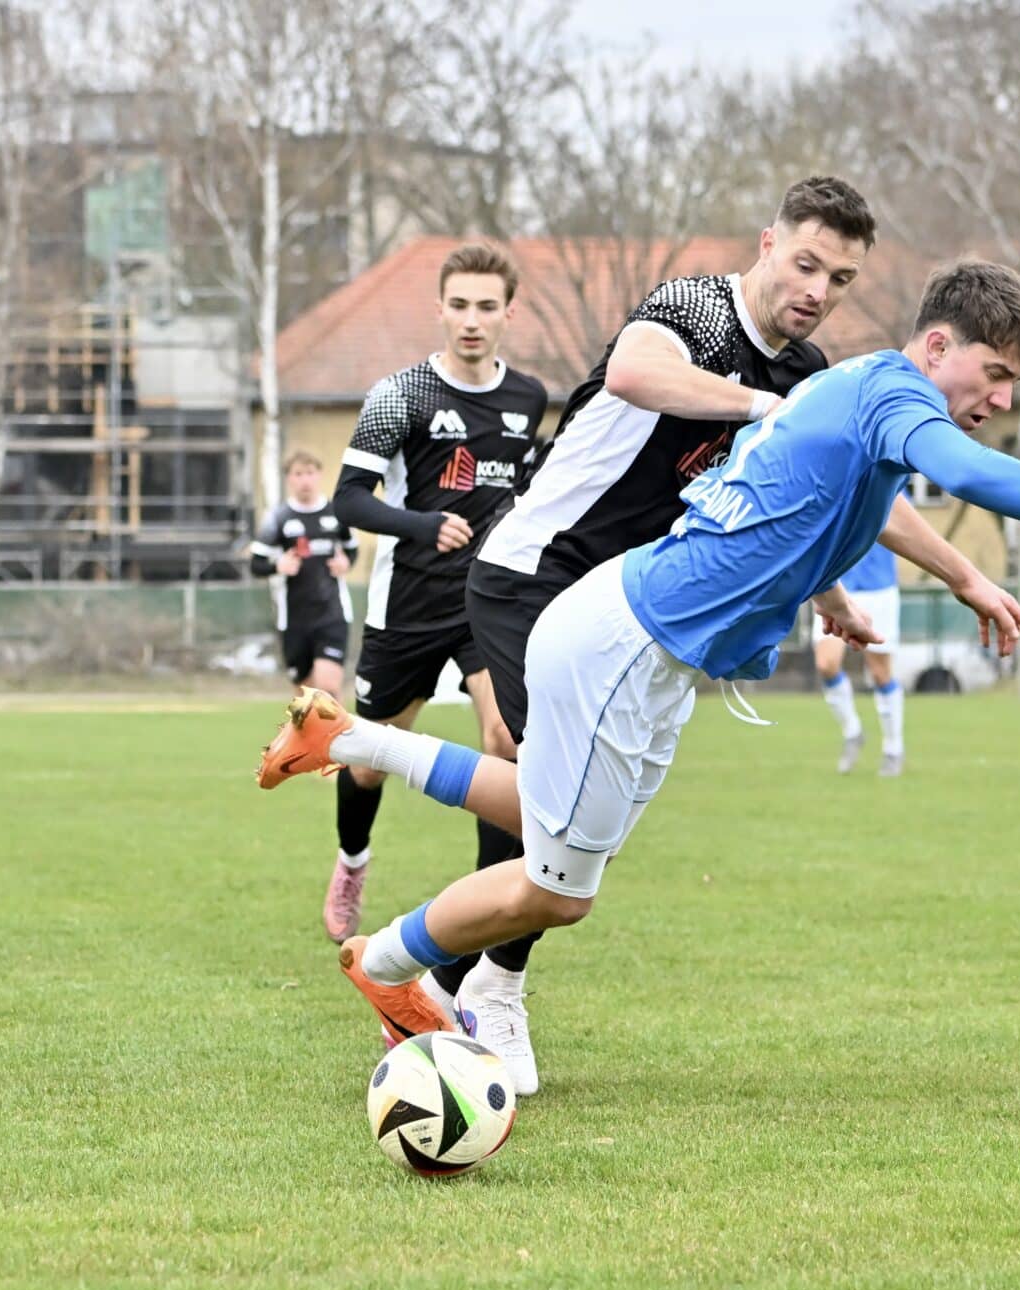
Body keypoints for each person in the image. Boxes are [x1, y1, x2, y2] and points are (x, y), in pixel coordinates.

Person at [256, 258, 1020, 1062]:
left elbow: (823, 506)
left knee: (546, 814)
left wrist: (915, 582)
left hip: (634, 642)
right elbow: (969, 472)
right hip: (622, 643)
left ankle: (352, 741)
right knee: (560, 890)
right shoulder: (889, 391)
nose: (1003, 400)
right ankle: (389, 968)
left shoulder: (853, 396)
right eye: (996, 373)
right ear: (937, 348)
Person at [437, 176, 877, 1091]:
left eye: (840, 279)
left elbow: (793, 503)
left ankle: (449, 975)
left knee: (567, 807)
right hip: (534, 571)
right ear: (768, 244)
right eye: (806, 264)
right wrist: (763, 411)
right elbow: (634, 373)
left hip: (622, 609)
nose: (817, 290)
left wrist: (843, 589)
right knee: (552, 799)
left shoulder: (804, 375)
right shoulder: (695, 309)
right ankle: (481, 986)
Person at [322, 243, 549, 946]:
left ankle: (487, 912)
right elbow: (348, 499)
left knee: (505, 741)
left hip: (490, 602)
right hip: (409, 602)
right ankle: (352, 862)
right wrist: (423, 525)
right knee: (368, 761)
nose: (472, 320)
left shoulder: (528, 398)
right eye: (459, 306)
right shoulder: (402, 394)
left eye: (486, 306)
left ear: (509, 312)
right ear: (440, 310)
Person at [248, 450, 358, 697]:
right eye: (298, 474)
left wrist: (346, 562)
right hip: (294, 618)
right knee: (305, 695)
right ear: (289, 478)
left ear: (319, 475)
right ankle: (314, 725)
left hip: (332, 613)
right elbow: (256, 564)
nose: (305, 480)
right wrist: (278, 566)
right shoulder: (278, 518)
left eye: (310, 473)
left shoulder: (336, 513)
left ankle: (335, 725)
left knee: (328, 688)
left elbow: (352, 550)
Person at [816, 539, 904, 776]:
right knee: (826, 664)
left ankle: (893, 748)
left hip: (878, 586)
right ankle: (852, 732)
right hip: (835, 583)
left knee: (880, 674)